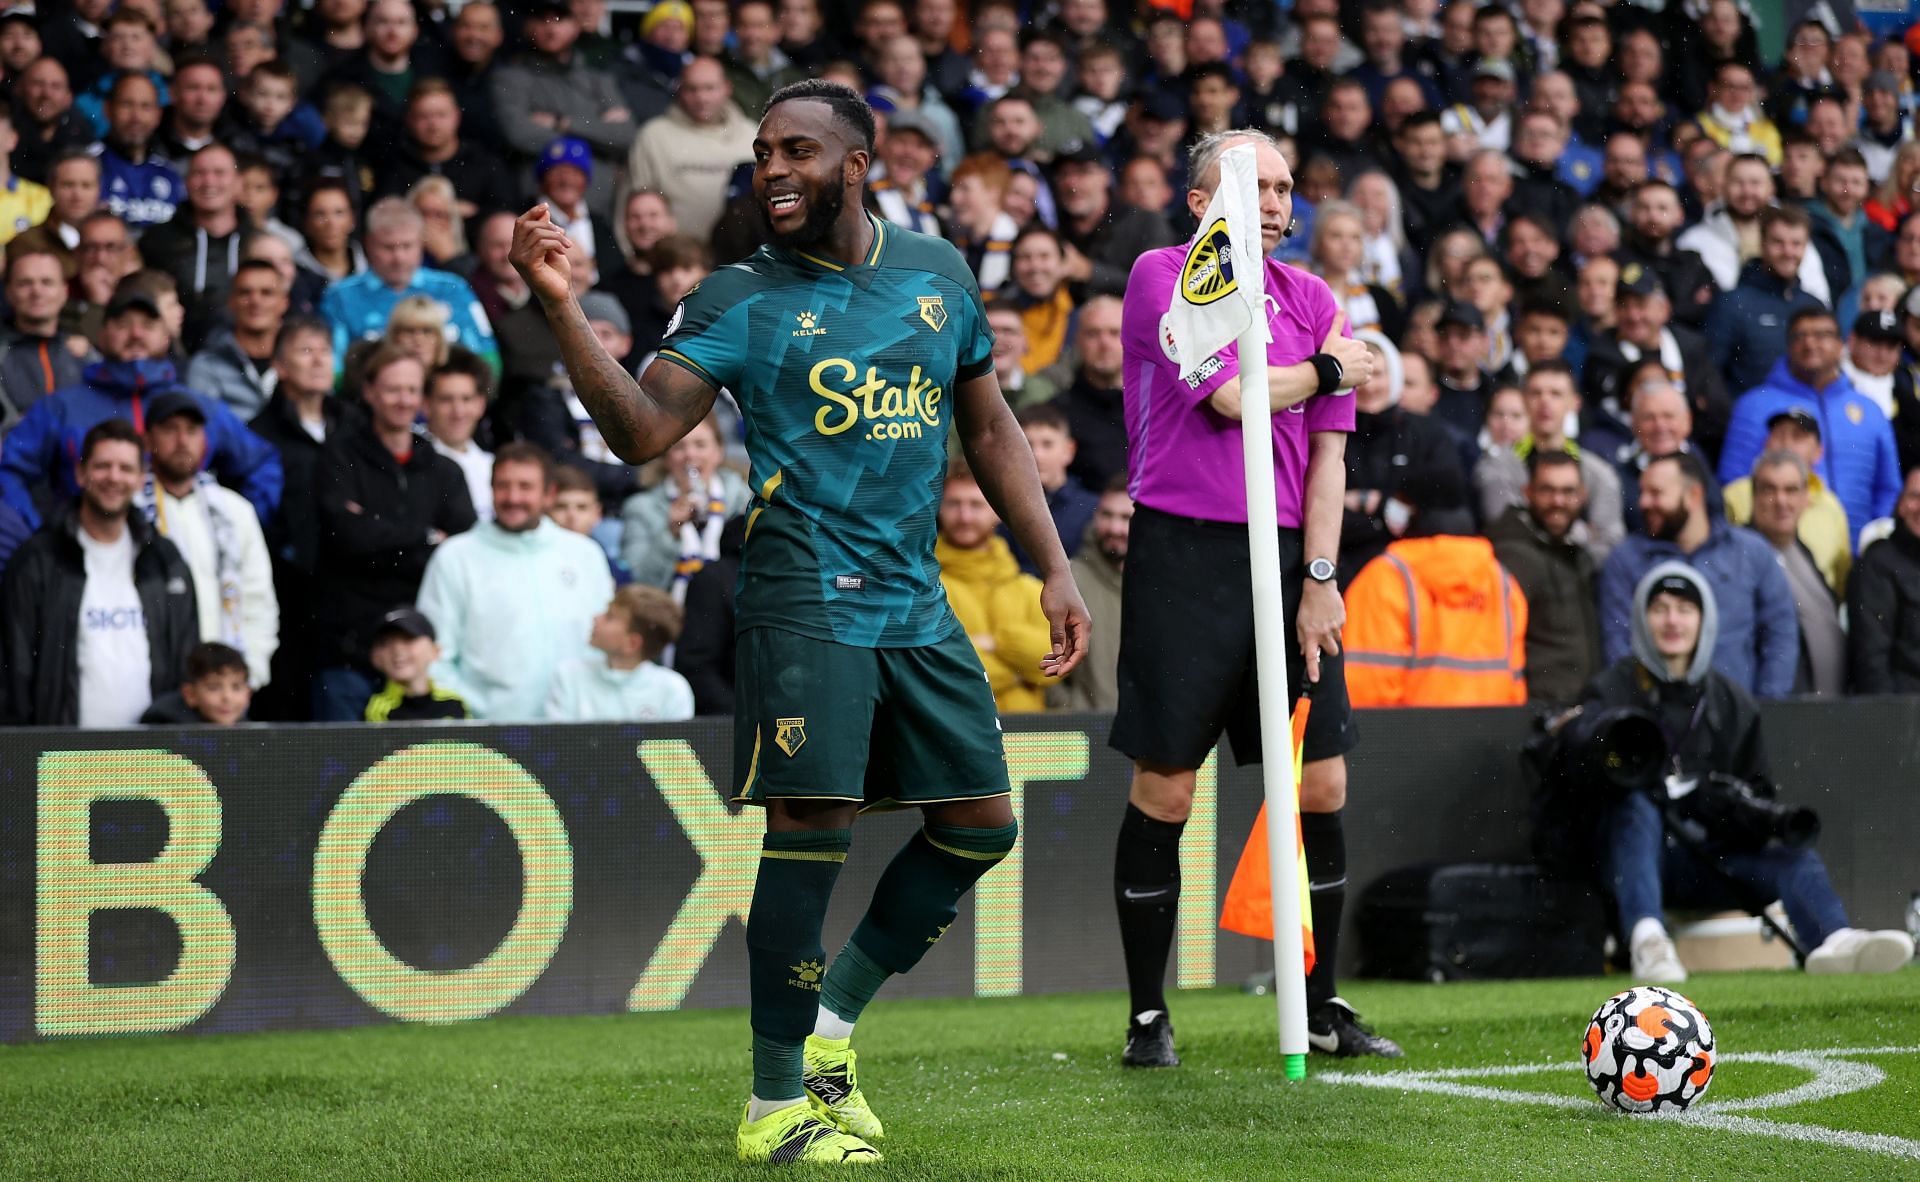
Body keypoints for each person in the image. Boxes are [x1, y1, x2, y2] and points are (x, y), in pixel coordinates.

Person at [509, 78, 1087, 1165]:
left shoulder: (939, 274)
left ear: (858, 165)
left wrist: (1050, 564)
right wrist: (558, 307)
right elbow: (639, 431)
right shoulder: (736, 297)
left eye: (798, 151)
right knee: (809, 828)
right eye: (763, 153)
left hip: (913, 594)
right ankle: (775, 1103)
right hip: (801, 590)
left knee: (980, 822)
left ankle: (830, 1035)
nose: (772, 168)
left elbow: (990, 421)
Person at [1109, 127, 1395, 1072]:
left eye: (1283, 185)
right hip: (1182, 553)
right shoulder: (1164, 275)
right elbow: (1232, 400)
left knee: (1321, 780)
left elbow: (1329, 459)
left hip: (1286, 557)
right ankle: (1148, 1017)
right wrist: (1327, 369)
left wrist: (1320, 581)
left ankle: (1320, 1006)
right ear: (1203, 203)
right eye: (1253, 184)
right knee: (1167, 785)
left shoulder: (1313, 297)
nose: (1274, 202)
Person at [1570, 563, 1913, 982]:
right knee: (1635, 806)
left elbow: (1758, 791)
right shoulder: (1611, 688)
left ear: (1705, 619)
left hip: (1710, 856)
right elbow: (1580, 780)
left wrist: (1725, 807)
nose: (1672, 621)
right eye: (1659, 608)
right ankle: (1647, 941)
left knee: (1792, 854)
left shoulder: (1730, 700)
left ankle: (1836, 939)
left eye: (1684, 609)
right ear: (1642, 617)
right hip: (1635, 859)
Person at [0, 279, 282, 528]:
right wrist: (39, 534)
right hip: (83, 556)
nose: (136, 334)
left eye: (148, 325)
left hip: (181, 562)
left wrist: (237, 531)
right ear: (102, 335)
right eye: (123, 325)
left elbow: (261, 463)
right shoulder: (61, 407)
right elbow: (10, 471)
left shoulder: (198, 407)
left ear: (165, 335)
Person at [311, 345, 476, 721]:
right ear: (369, 391)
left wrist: (377, 531)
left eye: (412, 390)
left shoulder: (445, 470)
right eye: (392, 389)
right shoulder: (338, 457)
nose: (403, 401)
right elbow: (348, 538)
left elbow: (461, 549)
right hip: (348, 652)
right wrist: (427, 537)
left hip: (418, 656)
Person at [0, 418, 197, 726]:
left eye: (126, 468)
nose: (113, 477)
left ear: (140, 478)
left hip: (154, 758)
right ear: (81, 473)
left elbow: (186, 662)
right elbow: (15, 668)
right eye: (103, 465)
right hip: (64, 760)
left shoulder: (164, 559)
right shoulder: (38, 561)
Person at [415, 442, 615, 721]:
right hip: (489, 739)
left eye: (525, 487)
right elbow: (435, 657)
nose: (513, 497)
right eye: (503, 486)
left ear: (549, 494)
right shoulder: (455, 557)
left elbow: (606, 645)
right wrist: (469, 718)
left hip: (579, 732)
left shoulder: (585, 554)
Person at [1599, 451, 1798, 699]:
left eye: (1656, 493)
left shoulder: (1750, 551)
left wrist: (1766, 708)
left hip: (1735, 716)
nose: (1644, 503)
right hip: (1655, 721)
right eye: (1643, 492)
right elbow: (1618, 643)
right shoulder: (1626, 559)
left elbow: (1780, 634)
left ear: (1694, 495)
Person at [1344, 463, 1529, 707]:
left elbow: (1366, 686)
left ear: (1414, 510)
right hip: (1489, 740)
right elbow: (1514, 685)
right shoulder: (1501, 581)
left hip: (1410, 740)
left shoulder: (1385, 578)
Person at [1717, 308, 1899, 547]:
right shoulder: (1753, 406)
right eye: (1800, 336)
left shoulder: (1870, 411)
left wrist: (1874, 543)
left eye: (1822, 334)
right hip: (1778, 553)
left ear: (1841, 343)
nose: (1810, 343)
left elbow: (1888, 488)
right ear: (1787, 345)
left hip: (1859, 558)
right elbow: (1734, 485)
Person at [139, 390, 279, 689]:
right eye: (170, 429)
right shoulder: (131, 510)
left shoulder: (235, 511)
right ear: (148, 439)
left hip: (225, 689)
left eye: (192, 430)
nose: (182, 440)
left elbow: (258, 599)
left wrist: (249, 674)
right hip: (150, 683)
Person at [318, 197, 500, 377]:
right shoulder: (341, 296)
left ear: (421, 243)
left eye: (407, 246)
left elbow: (487, 359)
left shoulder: (453, 288)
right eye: (388, 247)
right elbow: (333, 370)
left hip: (446, 402)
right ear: (369, 243)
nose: (399, 257)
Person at [1474, 361, 1625, 565]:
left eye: (1556, 394)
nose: (1545, 402)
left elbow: (1610, 543)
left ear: (1575, 403)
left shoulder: (1599, 473)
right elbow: (1505, 529)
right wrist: (1583, 532)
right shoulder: (1496, 465)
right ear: (1524, 401)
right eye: (1536, 393)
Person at [935, 457, 1051, 713]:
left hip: (1032, 742)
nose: (964, 516)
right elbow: (940, 668)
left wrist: (996, 643)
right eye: (954, 503)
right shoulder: (926, 587)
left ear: (997, 510)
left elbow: (1056, 662)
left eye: (976, 505)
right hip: (958, 734)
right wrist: (1019, 671)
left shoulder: (1030, 589)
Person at [1487, 450, 1603, 706]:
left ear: (1582, 496)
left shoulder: (1577, 555)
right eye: (1546, 490)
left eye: (1568, 491)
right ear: (1527, 492)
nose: (1558, 500)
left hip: (1577, 708)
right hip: (1534, 711)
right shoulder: (1512, 555)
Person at [1743, 449, 1846, 696]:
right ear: (1754, 496)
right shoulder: (1741, 557)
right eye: (1769, 490)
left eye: (1791, 490)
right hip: (1782, 715)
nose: (1781, 501)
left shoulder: (1802, 551)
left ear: (1805, 498)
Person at [1721, 409, 1851, 595]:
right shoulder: (1735, 494)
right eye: (1779, 435)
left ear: (1818, 452)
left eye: (1798, 437)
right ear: (1767, 443)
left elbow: (1841, 577)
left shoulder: (1831, 506)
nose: (1787, 444)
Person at [617, 412, 749, 594]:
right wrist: (671, 534)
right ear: (666, 457)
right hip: (669, 614)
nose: (690, 454)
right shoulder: (641, 508)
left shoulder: (744, 500)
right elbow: (638, 585)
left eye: (700, 445)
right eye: (679, 447)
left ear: (719, 452)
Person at [543, 583, 695, 720]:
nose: (596, 618)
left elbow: (675, 749)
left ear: (632, 644)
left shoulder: (672, 690)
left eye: (609, 617)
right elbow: (560, 746)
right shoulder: (569, 676)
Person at [1050, 474, 1128, 713]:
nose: (1114, 528)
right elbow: (1045, 660)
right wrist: (1073, 710)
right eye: (1107, 515)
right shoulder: (1069, 581)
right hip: (1085, 731)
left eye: (1126, 518)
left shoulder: (1161, 585)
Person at [1846, 467, 1920, 694]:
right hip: (1902, 717)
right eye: (1916, 496)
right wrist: (1889, 724)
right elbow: (1872, 659)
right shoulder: (1877, 564)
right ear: (1901, 505)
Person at [183, 258, 287, 419]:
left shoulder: (300, 362)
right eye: (245, 292)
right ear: (231, 302)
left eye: (267, 293)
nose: (255, 301)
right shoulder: (206, 366)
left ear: (284, 303)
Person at [0, 247, 91, 423]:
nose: (37, 292)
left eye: (47, 282)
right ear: (8, 292)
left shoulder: (86, 354)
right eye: (25, 283)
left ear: (64, 292)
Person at [362, 605, 471, 721]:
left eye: (408, 638)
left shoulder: (454, 703)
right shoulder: (377, 710)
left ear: (435, 651)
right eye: (386, 642)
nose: (397, 650)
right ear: (375, 658)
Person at [423, 354, 496, 525]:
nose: (458, 411)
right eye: (446, 400)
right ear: (426, 405)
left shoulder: (494, 466)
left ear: (480, 404)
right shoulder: (415, 466)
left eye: (466, 399)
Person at [141, 639, 252, 724]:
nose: (227, 697)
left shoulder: (250, 729)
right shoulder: (165, 722)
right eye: (214, 688)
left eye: (236, 687)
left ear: (248, 693)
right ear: (190, 694)